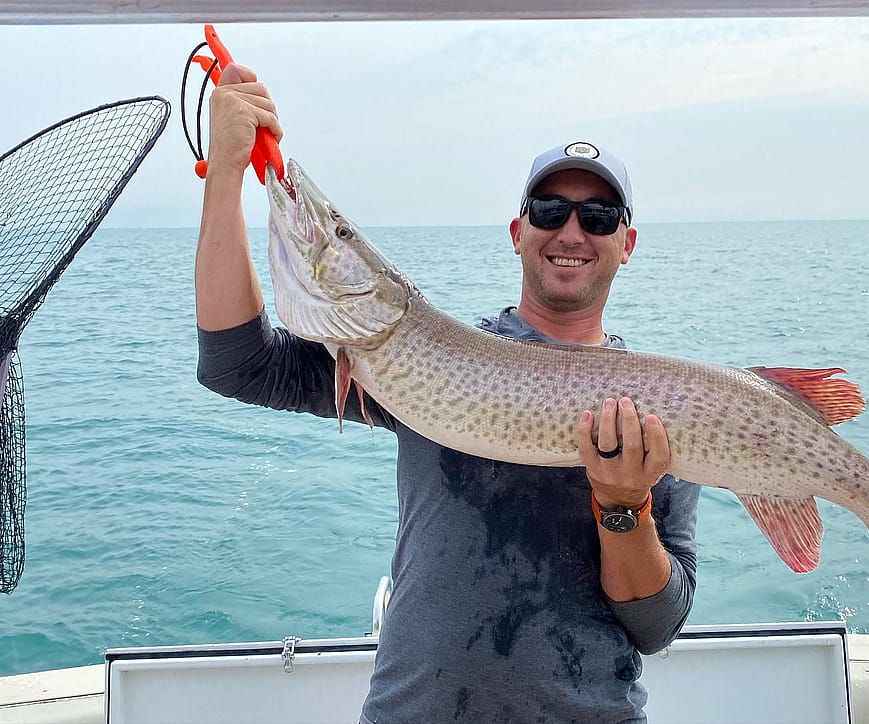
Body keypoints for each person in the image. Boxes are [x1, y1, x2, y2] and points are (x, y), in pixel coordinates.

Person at [195, 63, 700, 723]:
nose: (571, 231)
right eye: (550, 210)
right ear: (519, 232)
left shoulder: (650, 407)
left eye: (598, 216)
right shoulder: (403, 360)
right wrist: (229, 174)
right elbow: (239, 363)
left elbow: (656, 626)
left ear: (625, 243)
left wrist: (623, 506)